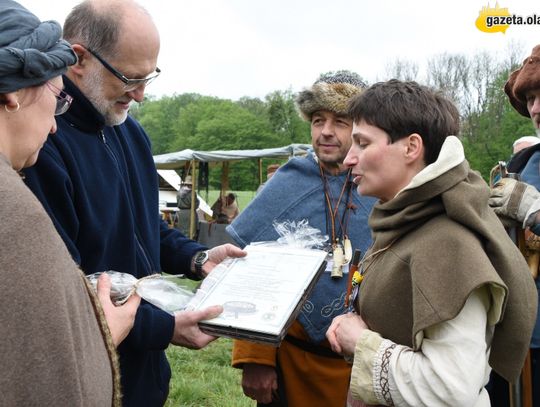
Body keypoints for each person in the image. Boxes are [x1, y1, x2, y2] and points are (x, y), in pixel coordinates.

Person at [22, 1, 245, 406]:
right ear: (78, 59)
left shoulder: (129, 133)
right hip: (89, 377)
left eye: (150, 77)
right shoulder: (42, 145)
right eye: (130, 78)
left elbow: (145, 228)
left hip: (146, 376)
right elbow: (67, 290)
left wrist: (197, 259)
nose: (140, 95)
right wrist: (165, 328)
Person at [326, 79, 537, 406]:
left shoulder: (445, 244)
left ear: (411, 147)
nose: (349, 158)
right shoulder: (407, 223)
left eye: (363, 144)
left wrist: (361, 343)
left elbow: (451, 391)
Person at [0, 1, 140, 405]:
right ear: (12, 93)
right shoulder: (14, 215)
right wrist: (97, 336)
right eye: (58, 98)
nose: (56, 122)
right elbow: (42, 380)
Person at [227, 71, 376, 406]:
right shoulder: (287, 183)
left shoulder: (381, 185)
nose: (325, 131)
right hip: (290, 365)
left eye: (340, 121)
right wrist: (256, 359)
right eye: (317, 119)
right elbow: (252, 272)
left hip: (362, 365)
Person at [488, 44, 540, 407]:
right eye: (532, 98)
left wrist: (534, 211)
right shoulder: (522, 162)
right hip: (517, 341)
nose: (536, 109)